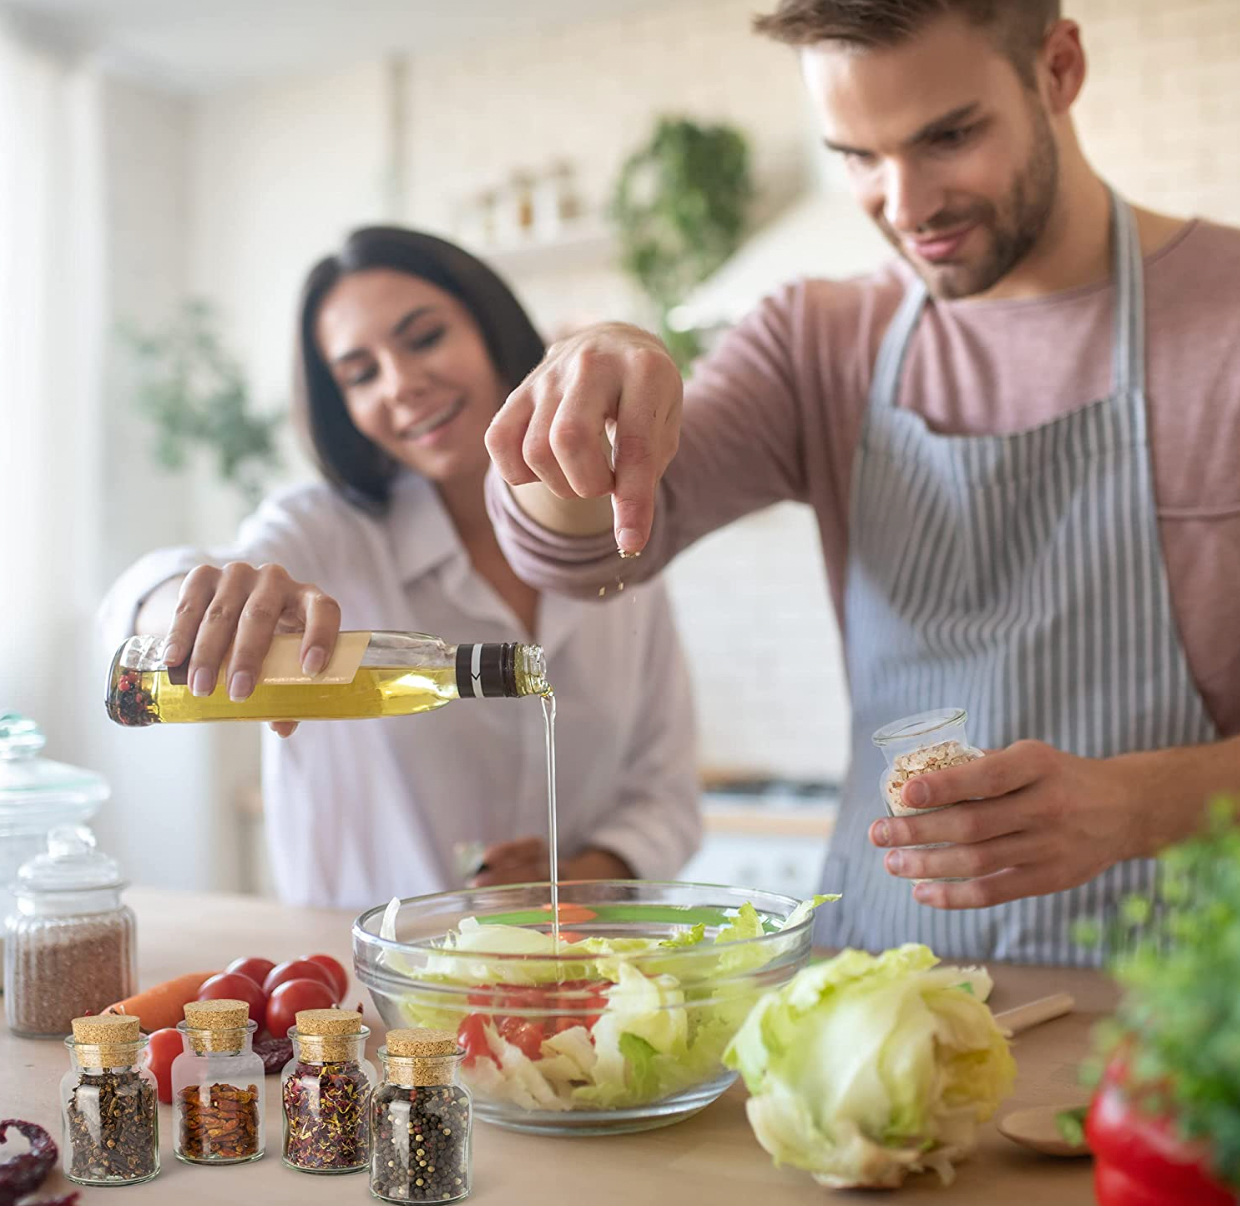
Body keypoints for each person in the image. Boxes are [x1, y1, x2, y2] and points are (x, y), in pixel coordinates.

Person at [483, 0, 1240, 963]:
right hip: (881, 1008)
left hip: (1187, 1028)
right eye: (856, 156)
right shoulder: (818, 343)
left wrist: (1135, 807)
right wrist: (599, 376)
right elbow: (580, 554)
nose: (906, 203)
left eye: (949, 136)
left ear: (1058, 68)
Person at [100, 227, 701, 910]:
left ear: (492, 331)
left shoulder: (613, 533)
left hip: (568, 978)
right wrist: (191, 602)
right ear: (343, 408)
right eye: (360, 374)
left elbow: (667, 796)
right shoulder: (324, 533)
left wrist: (572, 878)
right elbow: (132, 603)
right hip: (357, 991)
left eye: (424, 338)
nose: (402, 384)